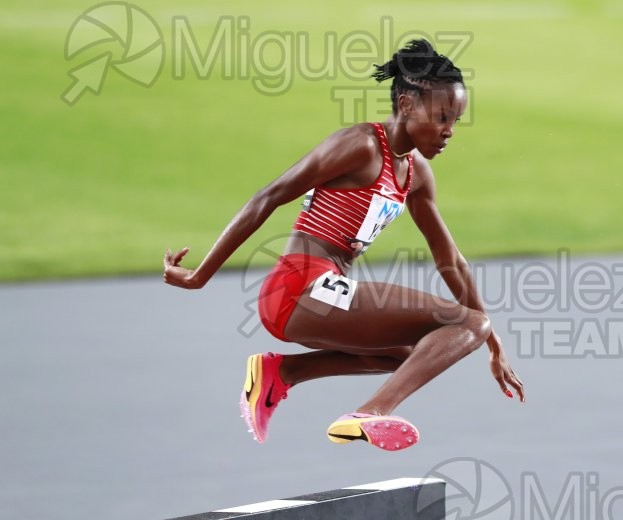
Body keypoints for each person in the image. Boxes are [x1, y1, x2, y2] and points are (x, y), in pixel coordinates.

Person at [163, 39, 524, 451]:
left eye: (456, 121)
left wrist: (492, 344)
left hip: (323, 293)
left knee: (415, 351)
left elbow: (449, 260)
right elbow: (269, 195)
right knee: (467, 324)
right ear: (406, 104)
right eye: (442, 116)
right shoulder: (361, 145)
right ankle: (370, 413)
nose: (449, 131)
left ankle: (283, 373)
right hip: (296, 289)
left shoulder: (417, 174)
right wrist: (198, 277)